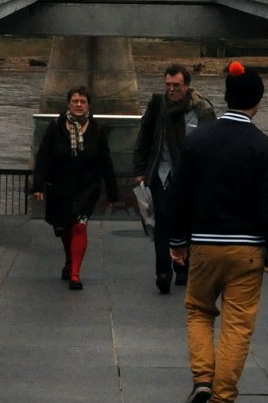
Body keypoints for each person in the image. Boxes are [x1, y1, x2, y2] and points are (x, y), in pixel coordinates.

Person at [164, 62, 268, 403]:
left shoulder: (198, 140)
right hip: (248, 249)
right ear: (258, 102)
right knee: (237, 325)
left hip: (203, 244)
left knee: (199, 311)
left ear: (226, 97)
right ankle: (223, 402)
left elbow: (179, 195)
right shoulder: (265, 147)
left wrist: (177, 240)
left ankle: (202, 379)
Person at [133, 63, 218, 293]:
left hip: (190, 178)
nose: (172, 90)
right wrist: (140, 171)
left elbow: (212, 146)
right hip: (161, 175)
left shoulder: (201, 109)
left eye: (176, 85)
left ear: (187, 86)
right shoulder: (157, 106)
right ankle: (163, 272)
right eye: (168, 85)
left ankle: (183, 268)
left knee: (188, 223)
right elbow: (144, 138)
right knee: (162, 223)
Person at [32, 86, 120, 289]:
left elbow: (106, 161)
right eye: (75, 101)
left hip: (87, 187)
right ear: (68, 104)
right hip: (60, 186)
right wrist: (39, 185)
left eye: (83, 101)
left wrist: (113, 191)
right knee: (63, 227)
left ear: (88, 105)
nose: (79, 105)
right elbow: (43, 156)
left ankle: (75, 274)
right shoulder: (55, 127)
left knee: (79, 226)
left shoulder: (97, 129)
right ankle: (69, 259)